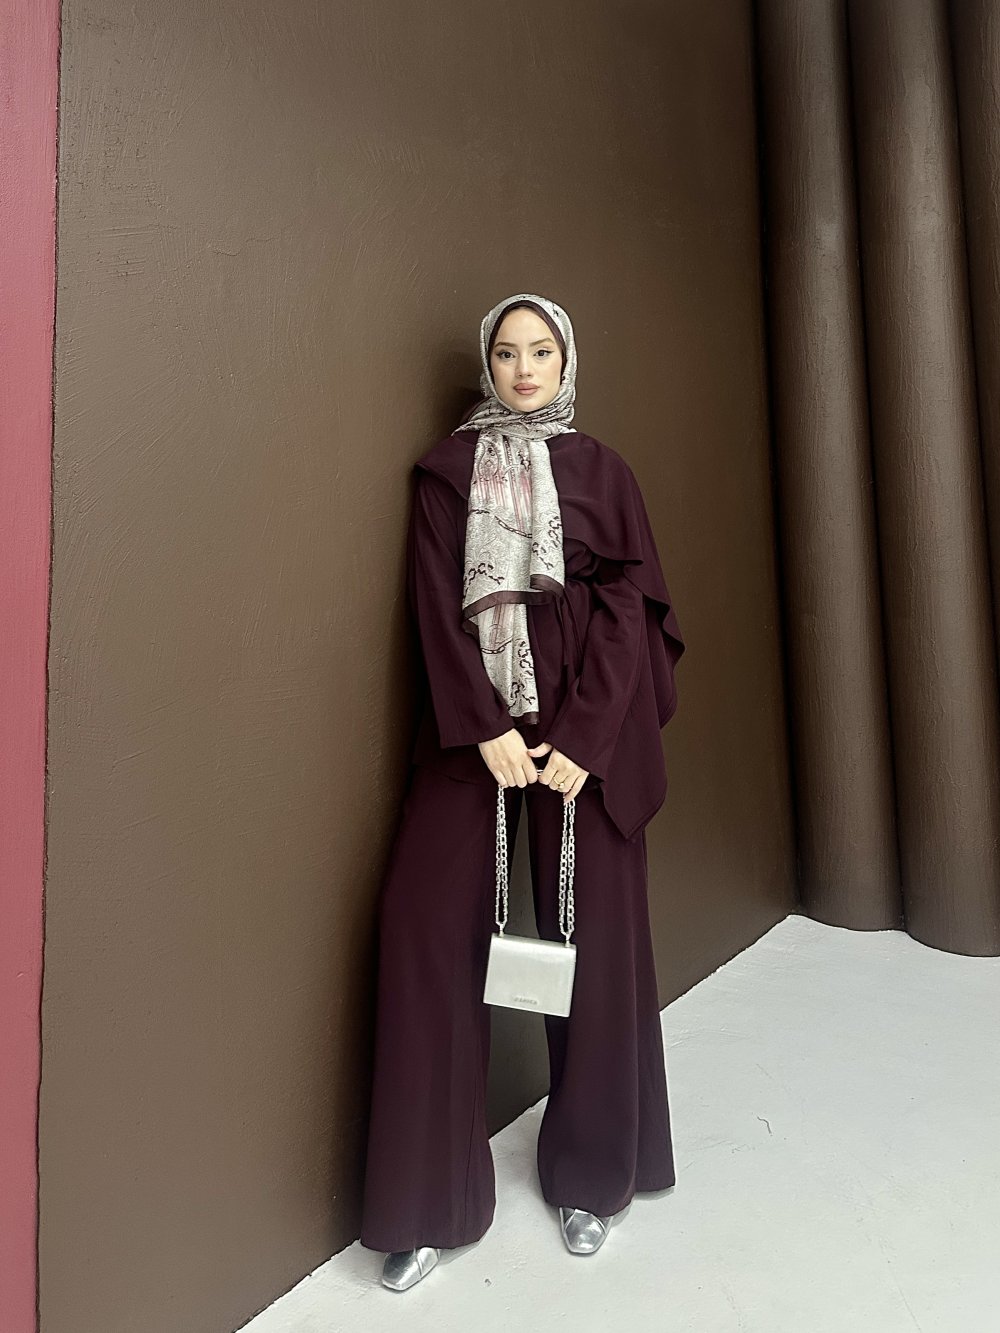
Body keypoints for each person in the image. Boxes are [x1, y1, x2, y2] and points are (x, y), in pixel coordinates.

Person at [359, 293, 686, 1292]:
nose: (526, 367)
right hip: (479, 734)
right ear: (488, 364)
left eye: (542, 350)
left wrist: (586, 737)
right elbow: (434, 605)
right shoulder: (446, 473)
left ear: (565, 360)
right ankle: (428, 1202)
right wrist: (485, 725)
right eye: (508, 352)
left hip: (586, 738)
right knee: (422, 931)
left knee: (598, 948)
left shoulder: (604, 471)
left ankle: (592, 1176)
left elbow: (628, 609)